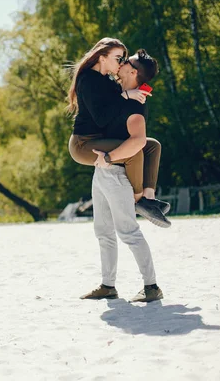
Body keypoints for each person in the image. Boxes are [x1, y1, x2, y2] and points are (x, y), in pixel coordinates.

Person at [79, 49, 164, 302]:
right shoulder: (121, 96)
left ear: (133, 71)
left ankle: (151, 287)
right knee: (103, 231)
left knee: (128, 231)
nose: (123, 63)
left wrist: (109, 158)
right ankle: (108, 285)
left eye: (127, 62)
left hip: (117, 173)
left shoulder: (133, 105)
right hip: (102, 172)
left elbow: (138, 141)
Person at [67, 38, 170, 227]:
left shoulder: (107, 81)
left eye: (124, 59)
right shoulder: (88, 79)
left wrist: (132, 92)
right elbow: (102, 118)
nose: (121, 63)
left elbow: (120, 101)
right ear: (102, 57)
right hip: (83, 144)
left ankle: (149, 197)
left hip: (99, 139)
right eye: (118, 58)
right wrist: (125, 95)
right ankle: (140, 202)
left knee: (152, 145)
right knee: (134, 152)